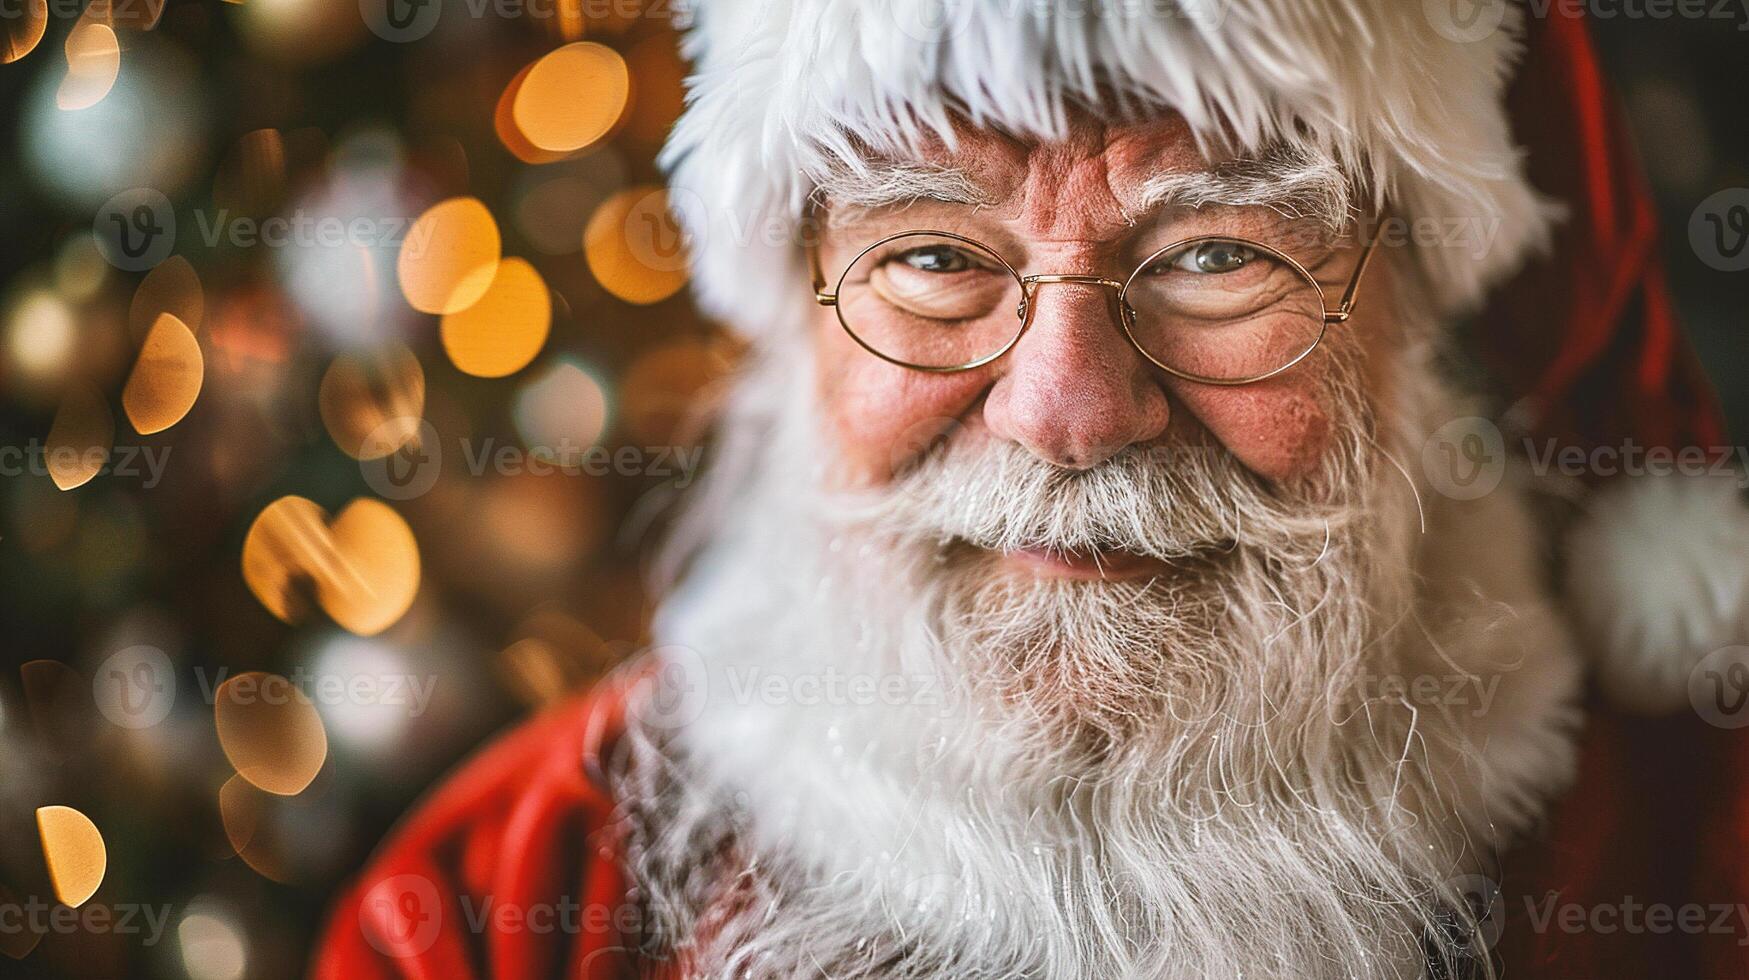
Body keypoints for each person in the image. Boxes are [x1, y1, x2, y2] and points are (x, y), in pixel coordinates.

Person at [315, 1, 1749, 976]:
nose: (1065, 413)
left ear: (1418, 315)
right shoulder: (495, 913)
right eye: (934, 259)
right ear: (793, 322)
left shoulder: (1691, 856)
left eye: (1214, 256)